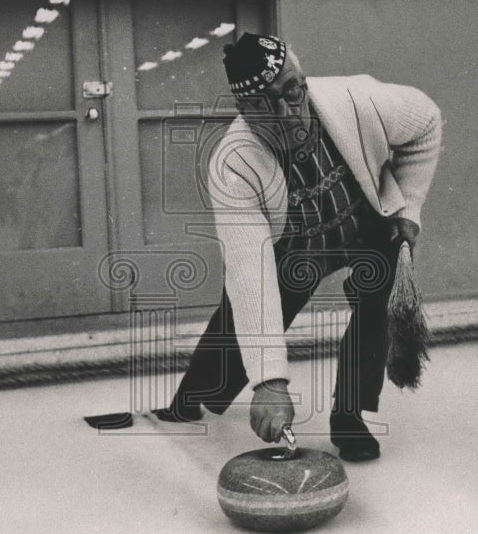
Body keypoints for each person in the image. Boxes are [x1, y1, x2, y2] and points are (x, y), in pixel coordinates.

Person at [156, 33, 442, 461]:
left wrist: (410, 206)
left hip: (365, 222)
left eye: (292, 93)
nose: (288, 115)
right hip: (297, 246)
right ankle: (192, 394)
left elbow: (426, 122)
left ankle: (350, 416)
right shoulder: (233, 162)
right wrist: (270, 382)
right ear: (244, 112)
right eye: (265, 107)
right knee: (237, 318)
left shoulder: (360, 101)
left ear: (303, 81)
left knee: (376, 306)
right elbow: (250, 275)